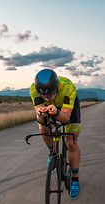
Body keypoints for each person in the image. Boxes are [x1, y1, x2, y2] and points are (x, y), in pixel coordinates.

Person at [29, 69, 81, 197]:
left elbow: (66, 119)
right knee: (43, 129)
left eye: (51, 93)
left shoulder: (68, 87)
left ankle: (75, 179)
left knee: (71, 142)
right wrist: (40, 115)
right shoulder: (33, 90)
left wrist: (57, 113)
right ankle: (53, 151)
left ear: (57, 88)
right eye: (43, 96)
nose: (47, 98)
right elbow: (41, 120)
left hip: (67, 109)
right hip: (50, 109)